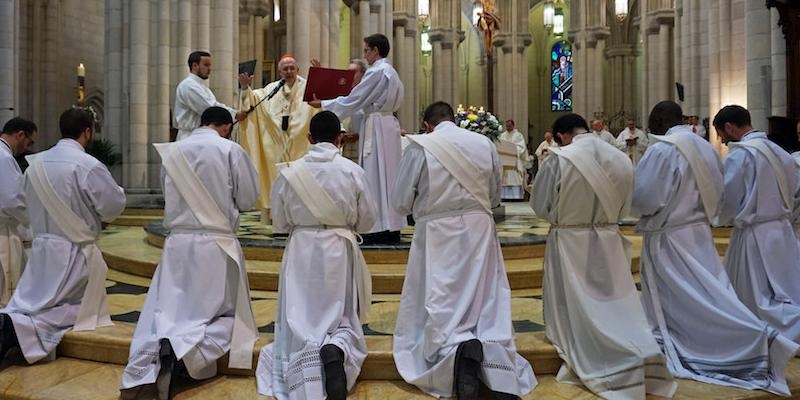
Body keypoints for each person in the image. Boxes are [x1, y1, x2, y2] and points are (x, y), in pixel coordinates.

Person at [633, 101, 798, 395]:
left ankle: (748, 341)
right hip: (723, 231)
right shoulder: (707, 147)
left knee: (694, 297)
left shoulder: (664, 149)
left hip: (674, 236)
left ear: (658, 120)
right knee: (715, 292)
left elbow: (646, 197)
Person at [392, 102, 536, 400]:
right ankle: (495, 365)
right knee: (484, 297)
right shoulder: (484, 143)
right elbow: (494, 196)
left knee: (440, 295)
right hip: (479, 228)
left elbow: (400, 201)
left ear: (427, 125)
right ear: (455, 120)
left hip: (436, 231)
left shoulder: (420, 146)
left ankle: (452, 352)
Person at [531, 113, 676, 399]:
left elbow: (540, 204)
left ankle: (601, 352)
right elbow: (628, 203)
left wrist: (564, 217)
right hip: (609, 236)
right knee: (614, 302)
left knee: (577, 303)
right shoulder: (620, 157)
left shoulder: (561, 159)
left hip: (570, 239)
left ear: (561, 136)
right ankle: (634, 345)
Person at [120, 107, 259, 399]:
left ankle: (160, 350)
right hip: (216, 247)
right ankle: (184, 353)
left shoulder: (173, 152)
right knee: (231, 317)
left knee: (168, 312)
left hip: (177, 246)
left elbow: (167, 193)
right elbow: (248, 199)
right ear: (226, 127)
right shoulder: (230, 150)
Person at [256, 111, 376, 400]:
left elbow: (279, 222)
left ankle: (307, 356)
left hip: (301, 247)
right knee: (340, 314)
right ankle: (335, 347)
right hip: (339, 247)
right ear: (340, 138)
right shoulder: (352, 171)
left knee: (300, 313)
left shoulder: (290, 172)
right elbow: (368, 220)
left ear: (309, 138)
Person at [0, 108, 126, 365]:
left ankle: (13, 322)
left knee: (35, 300)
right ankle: (16, 330)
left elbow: (25, 202)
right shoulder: (88, 165)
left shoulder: (35, 164)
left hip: (42, 248)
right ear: (87, 132)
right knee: (69, 309)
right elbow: (112, 206)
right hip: (74, 251)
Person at [714, 105, 800, 342]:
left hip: (755, 235)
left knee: (757, 300)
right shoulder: (781, 152)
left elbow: (729, 198)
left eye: (721, 135)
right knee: (787, 290)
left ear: (729, 127)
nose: (722, 141)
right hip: (782, 230)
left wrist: (717, 216)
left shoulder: (741, 154)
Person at [309, 33, 405, 244]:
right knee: (389, 177)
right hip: (388, 125)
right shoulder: (392, 72)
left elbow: (356, 98)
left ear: (375, 51)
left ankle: (378, 228)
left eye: (366, 50)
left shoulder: (376, 71)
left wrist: (324, 104)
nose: (365, 54)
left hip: (377, 127)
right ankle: (392, 226)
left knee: (375, 176)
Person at [238, 55, 318, 223]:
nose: (289, 72)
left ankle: (301, 216)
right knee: (275, 178)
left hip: (300, 143)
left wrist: (320, 76)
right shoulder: (271, 89)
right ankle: (276, 217)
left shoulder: (308, 87)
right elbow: (253, 101)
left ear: (298, 70)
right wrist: (245, 88)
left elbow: (323, 102)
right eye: (285, 69)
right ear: (280, 72)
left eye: (292, 68)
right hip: (276, 145)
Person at [0, 118, 37, 305]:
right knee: (6, 288)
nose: (27, 148)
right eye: (29, 142)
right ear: (20, 135)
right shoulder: (4, 158)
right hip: (3, 232)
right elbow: (12, 201)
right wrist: (32, 221)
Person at [174, 51, 246, 141]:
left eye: (210, 65)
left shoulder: (202, 87)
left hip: (200, 135)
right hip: (190, 136)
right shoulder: (188, 85)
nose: (209, 69)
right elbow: (209, 109)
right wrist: (234, 114)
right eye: (206, 65)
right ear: (195, 65)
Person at [499, 119, 528, 200]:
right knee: (504, 179)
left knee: (514, 178)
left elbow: (521, 147)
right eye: (507, 126)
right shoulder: (502, 135)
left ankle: (515, 196)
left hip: (514, 159)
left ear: (513, 125)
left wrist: (512, 150)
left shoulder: (518, 135)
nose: (508, 127)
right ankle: (504, 196)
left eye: (509, 126)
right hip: (505, 159)